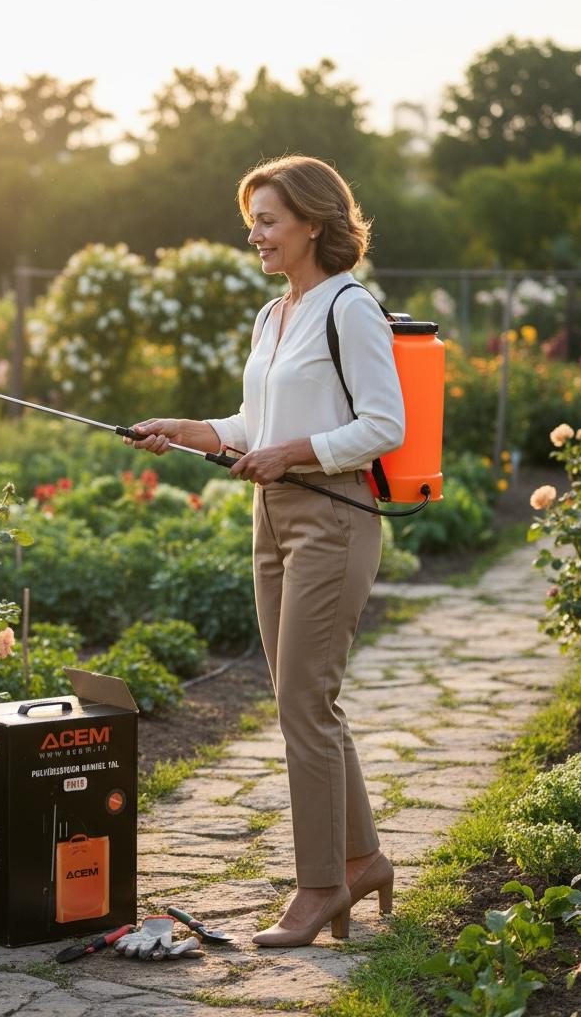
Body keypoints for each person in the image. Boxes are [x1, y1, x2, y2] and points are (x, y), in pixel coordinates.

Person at [125, 154, 402, 948]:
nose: (256, 234)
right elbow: (255, 426)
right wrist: (192, 430)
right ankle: (362, 862)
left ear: (314, 222)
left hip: (334, 514)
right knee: (307, 701)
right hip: (272, 519)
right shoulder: (272, 315)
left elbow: (386, 426)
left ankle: (320, 888)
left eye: (269, 219)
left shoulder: (351, 308)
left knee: (301, 706)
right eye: (252, 219)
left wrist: (292, 454)